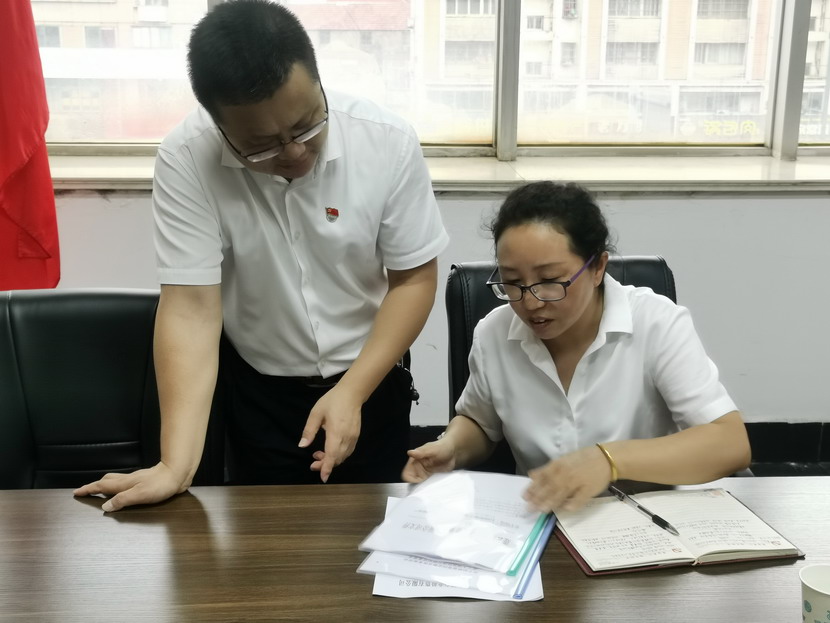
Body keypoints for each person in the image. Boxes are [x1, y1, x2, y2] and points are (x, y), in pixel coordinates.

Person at [74, 0, 448, 511]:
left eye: (307, 125)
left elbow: (413, 279)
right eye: (261, 145)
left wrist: (353, 391)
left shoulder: (386, 140)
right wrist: (175, 464)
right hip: (260, 395)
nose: (293, 152)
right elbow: (191, 308)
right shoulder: (187, 158)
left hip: (373, 377)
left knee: (377, 530)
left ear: (318, 80)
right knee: (265, 538)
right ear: (220, 125)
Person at [402, 181, 750, 512]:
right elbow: (480, 422)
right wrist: (452, 447)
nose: (531, 302)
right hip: (543, 522)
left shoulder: (656, 322)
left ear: (597, 267)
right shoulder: (494, 332)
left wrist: (608, 460)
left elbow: (729, 443)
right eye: (512, 282)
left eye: (550, 281)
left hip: (644, 521)